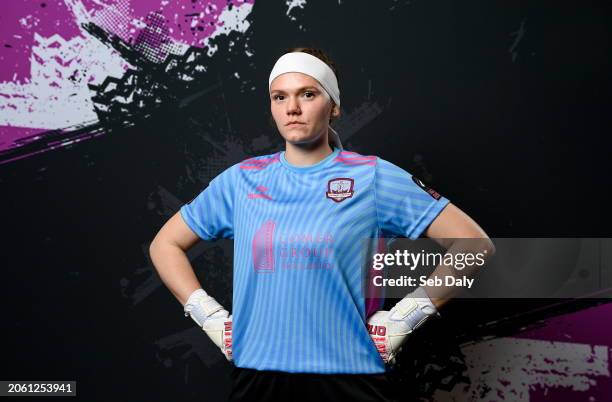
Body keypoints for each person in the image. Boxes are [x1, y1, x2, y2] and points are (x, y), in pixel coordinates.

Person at [149, 47, 493, 401]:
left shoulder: (371, 177)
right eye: (279, 97)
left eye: (307, 94)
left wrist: (405, 318)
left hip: (350, 378)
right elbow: (165, 245)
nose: (292, 108)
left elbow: (474, 245)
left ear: (335, 106)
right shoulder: (242, 181)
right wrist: (210, 318)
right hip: (258, 378)